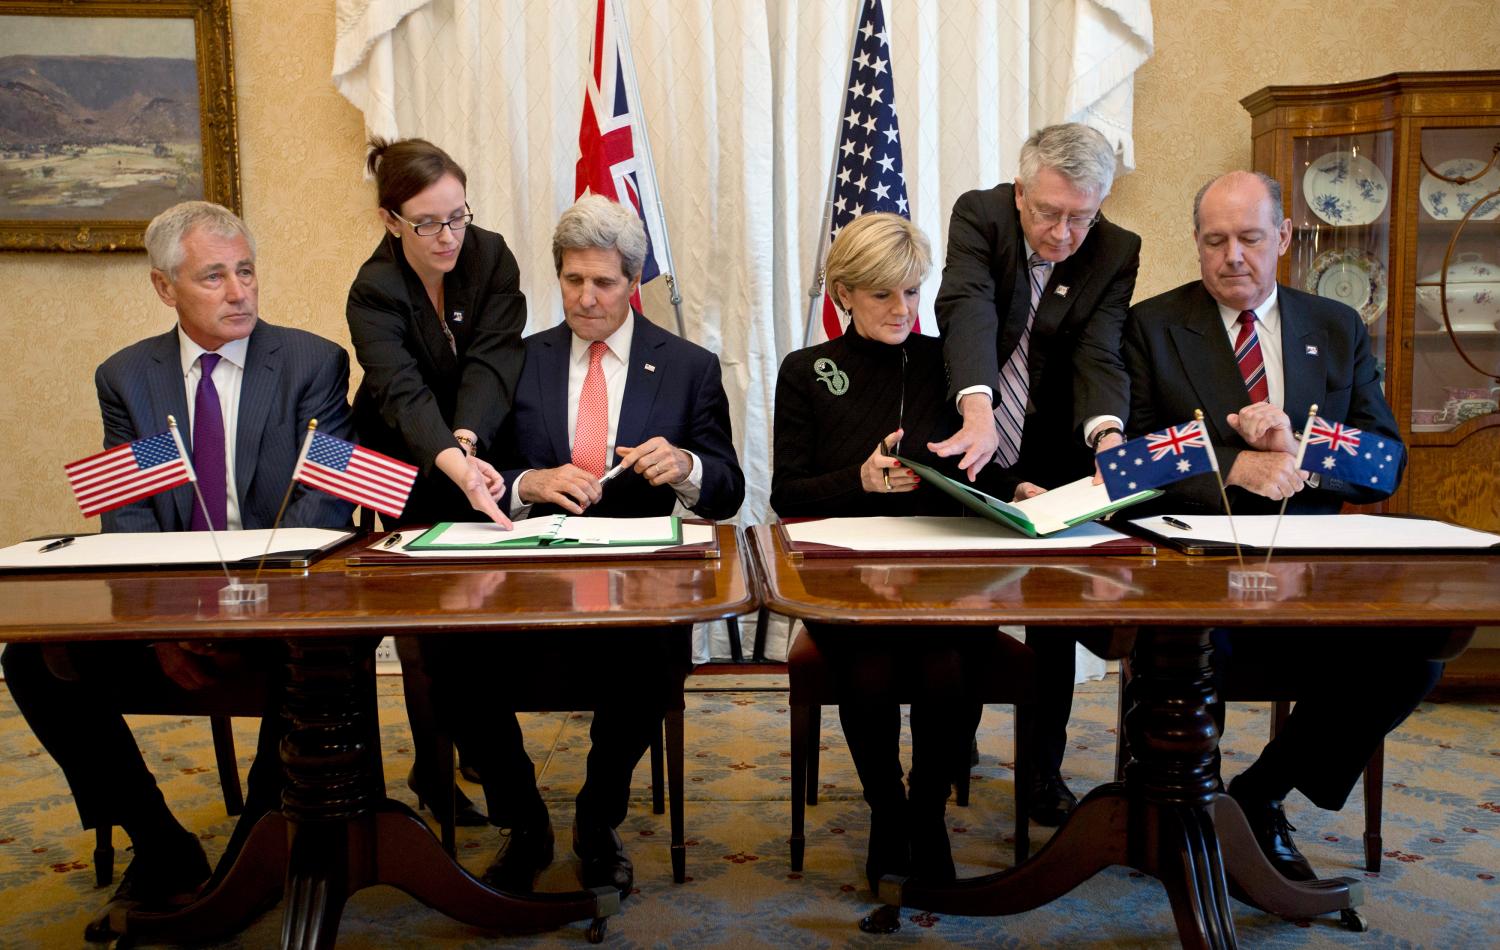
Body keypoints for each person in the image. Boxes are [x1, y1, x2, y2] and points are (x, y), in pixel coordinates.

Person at [2, 201, 354, 935]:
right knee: (35, 663)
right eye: (214, 277)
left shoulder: (312, 365)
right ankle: (161, 846)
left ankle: (257, 858)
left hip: (279, 606)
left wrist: (245, 621)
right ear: (165, 289)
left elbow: (323, 509)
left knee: (311, 657)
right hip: (178, 614)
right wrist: (166, 630)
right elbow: (131, 523)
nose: (239, 293)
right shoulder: (131, 379)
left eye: (247, 272)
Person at [1123, 169, 1443, 880]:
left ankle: (1260, 796)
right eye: (1215, 241)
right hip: (1198, 568)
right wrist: (1232, 467)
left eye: (1249, 238)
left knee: (1418, 648)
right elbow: (1131, 466)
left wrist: (1299, 450)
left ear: (1285, 237)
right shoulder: (1151, 325)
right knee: (1187, 658)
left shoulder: (1335, 326)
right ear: (1197, 244)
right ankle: (1175, 815)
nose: (1233, 256)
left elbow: (1383, 463)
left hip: (1311, 573)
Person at [449, 194, 744, 899]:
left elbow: (729, 488)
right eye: (573, 279)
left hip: (635, 588)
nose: (586, 297)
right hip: (527, 579)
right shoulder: (515, 362)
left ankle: (596, 819)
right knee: (449, 657)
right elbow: (476, 468)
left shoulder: (687, 367)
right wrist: (526, 482)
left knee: (656, 659)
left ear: (634, 281)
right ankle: (524, 823)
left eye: (604, 282)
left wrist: (688, 468)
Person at [770, 212, 1029, 892]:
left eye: (913, 292)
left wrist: (1021, 487)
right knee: (873, 668)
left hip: (943, 572)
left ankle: (925, 811)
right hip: (846, 578)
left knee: (947, 664)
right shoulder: (806, 371)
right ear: (845, 294)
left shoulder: (950, 362)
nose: (903, 309)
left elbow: (977, 471)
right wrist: (856, 479)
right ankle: (888, 811)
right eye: (884, 293)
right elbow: (786, 491)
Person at [928, 122, 1142, 826]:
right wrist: (978, 406)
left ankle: (1042, 772)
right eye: (1049, 212)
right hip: (972, 429)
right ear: (1021, 193)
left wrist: (1107, 432)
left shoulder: (1116, 249)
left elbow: (1099, 351)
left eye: (1082, 216)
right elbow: (967, 307)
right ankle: (947, 751)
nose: (1063, 233)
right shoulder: (981, 216)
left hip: (1053, 447)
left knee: (1052, 620)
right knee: (960, 607)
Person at [344, 137, 527, 828]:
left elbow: (492, 359)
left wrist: (470, 442)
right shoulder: (373, 288)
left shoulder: (492, 254)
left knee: (481, 610)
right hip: (398, 455)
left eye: (457, 216)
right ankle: (433, 768)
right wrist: (451, 459)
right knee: (425, 625)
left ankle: (472, 737)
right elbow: (400, 392)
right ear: (391, 221)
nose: (448, 235)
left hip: (471, 441)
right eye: (428, 223)